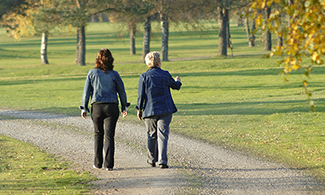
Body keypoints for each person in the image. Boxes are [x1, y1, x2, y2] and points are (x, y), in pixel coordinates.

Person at [80, 49, 128, 171]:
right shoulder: (114, 74)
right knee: (109, 136)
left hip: (97, 106)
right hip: (112, 106)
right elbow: (121, 91)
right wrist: (124, 107)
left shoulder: (92, 73)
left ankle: (97, 163)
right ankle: (109, 165)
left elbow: (86, 92)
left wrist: (84, 107)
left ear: (97, 59)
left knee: (98, 134)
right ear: (111, 59)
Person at [136, 51, 182, 169]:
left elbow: (141, 96)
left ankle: (151, 159)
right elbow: (175, 86)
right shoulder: (165, 74)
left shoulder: (144, 76)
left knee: (151, 135)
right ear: (159, 62)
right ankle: (163, 161)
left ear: (147, 63)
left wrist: (139, 109)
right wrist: (178, 81)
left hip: (149, 110)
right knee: (163, 135)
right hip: (165, 110)